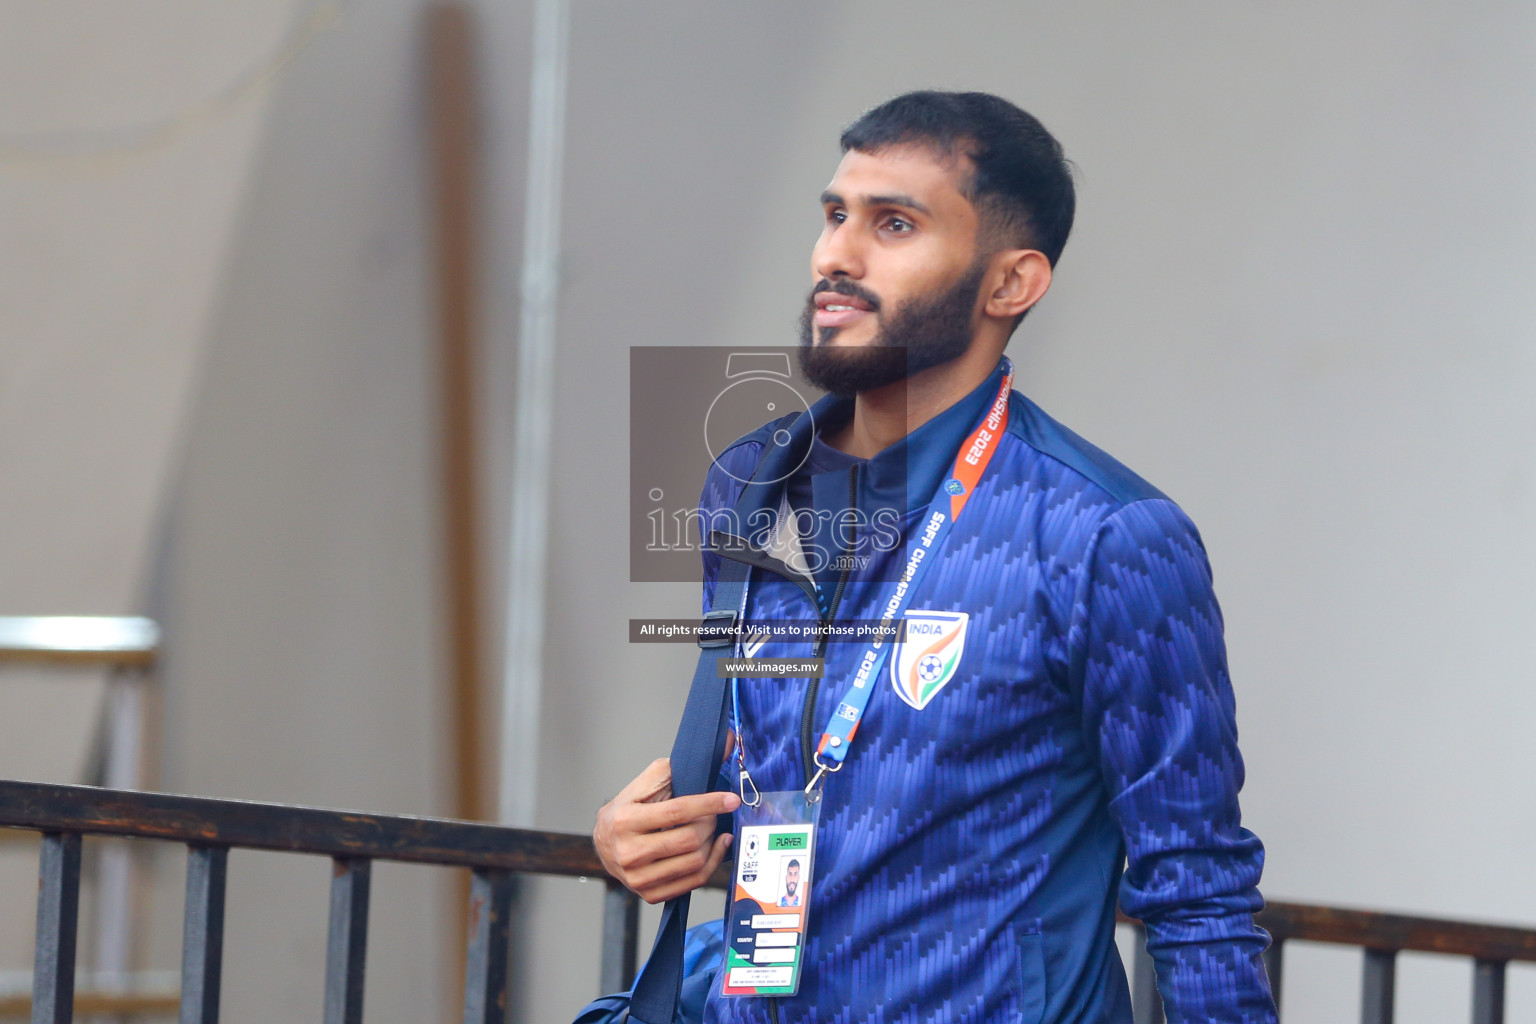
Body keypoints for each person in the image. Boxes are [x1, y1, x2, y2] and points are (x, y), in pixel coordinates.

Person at [595, 90, 1277, 1023]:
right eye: (835, 214)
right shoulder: (750, 486)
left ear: (1011, 284)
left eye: (895, 224)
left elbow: (1198, 890)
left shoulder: (1108, 536)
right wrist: (645, 829)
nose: (837, 254)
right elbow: (777, 757)